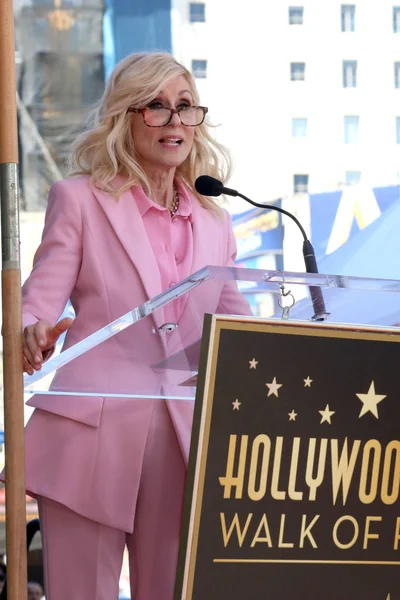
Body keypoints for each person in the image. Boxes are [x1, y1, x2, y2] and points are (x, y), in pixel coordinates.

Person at [19, 52, 251, 600]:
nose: (175, 121)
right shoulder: (77, 199)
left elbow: (237, 326)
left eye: (186, 108)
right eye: (157, 107)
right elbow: (38, 302)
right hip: (89, 435)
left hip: (185, 440)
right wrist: (31, 330)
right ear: (126, 116)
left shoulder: (217, 219)